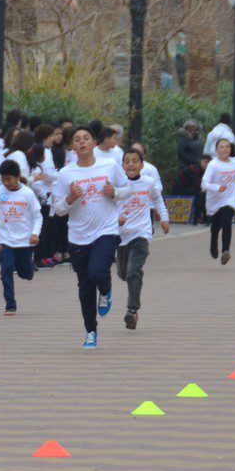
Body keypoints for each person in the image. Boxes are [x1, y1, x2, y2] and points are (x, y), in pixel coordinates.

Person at [51, 125, 130, 349]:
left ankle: (105, 290)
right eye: (77, 139)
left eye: (86, 138)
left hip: (106, 230)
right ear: (72, 146)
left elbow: (127, 190)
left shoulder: (110, 165)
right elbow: (58, 209)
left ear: (94, 143)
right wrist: (70, 198)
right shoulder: (66, 174)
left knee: (98, 271)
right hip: (78, 235)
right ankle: (90, 331)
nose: (82, 142)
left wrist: (114, 192)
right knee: (85, 285)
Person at [116, 149, 169, 330]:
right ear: (122, 165)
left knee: (132, 271)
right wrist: (116, 219)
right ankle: (135, 275)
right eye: (127, 161)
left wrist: (164, 218)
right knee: (124, 274)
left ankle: (132, 310)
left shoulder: (148, 183)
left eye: (134, 161)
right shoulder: (117, 185)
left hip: (141, 234)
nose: (130, 164)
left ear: (142, 165)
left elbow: (158, 200)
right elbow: (107, 207)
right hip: (121, 236)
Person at [0, 159, 41, 316]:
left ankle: (27, 267)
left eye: (9, 179)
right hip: (5, 239)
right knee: (6, 269)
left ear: (18, 176)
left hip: (24, 240)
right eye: (3, 179)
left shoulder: (28, 193)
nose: (6, 182)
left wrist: (35, 233)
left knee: (26, 274)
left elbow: (38, 216)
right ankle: (10, 304)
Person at [201, 138, 235, 264]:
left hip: (230, 197)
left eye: (227, 146)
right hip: (214, 199)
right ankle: (213, 242)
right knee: (215, 227)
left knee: (227, 221)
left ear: (230, 149)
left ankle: (226, 250)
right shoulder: (213, 165)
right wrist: (217, 187)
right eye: (221, 147)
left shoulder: (234, 161)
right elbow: (204, 184)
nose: (225, 149)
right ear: (216, 150)